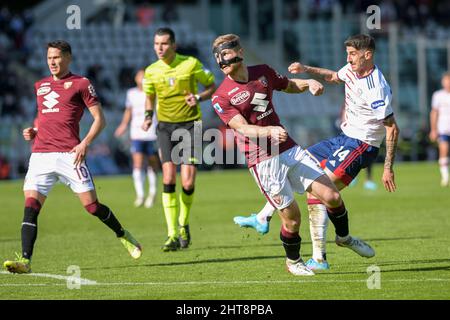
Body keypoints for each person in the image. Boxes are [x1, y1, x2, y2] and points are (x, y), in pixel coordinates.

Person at [211, 33, 375, 276]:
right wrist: (267, 131)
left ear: (240, 53)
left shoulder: (263, 72)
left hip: (288, 147)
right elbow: (241, 128)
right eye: (219, 59)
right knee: (293, 219)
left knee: (331, 195)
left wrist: (308, 83)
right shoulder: (221, 96)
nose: (223, 63)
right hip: (262, 159)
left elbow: (288, 85)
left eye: (226, 56)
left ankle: (344, 237)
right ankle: (294, 262)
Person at [3, 40, 142, 274]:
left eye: (57, 57)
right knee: (30, 207)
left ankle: (122, 234)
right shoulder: (41, 86)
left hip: (70, 155)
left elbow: (100, 119)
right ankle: (25, 260)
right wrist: (35, 131)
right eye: (49, 58)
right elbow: (45, 118)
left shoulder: (81, 84)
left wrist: (84, 143)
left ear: (68, 57)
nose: (52, 62)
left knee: (92, 207)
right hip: (41, 155)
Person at [141, 28, 216, 251]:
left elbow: (211, 86)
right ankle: (172, 233)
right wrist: (147, 117)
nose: (160, 48)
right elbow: (149, 97)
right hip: (164, 127)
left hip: (190, 125)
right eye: (156, 44)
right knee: (168, 176)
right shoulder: (151, 71)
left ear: (174, 44)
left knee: (188, 182)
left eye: (164, 44)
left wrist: (199, 97)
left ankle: (184, 222)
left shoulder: (191, 64)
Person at [115, 69, 159, 208]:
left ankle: (153, 192)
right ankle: (140, 195)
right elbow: (129, 111)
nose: (142, 78)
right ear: (136, 78)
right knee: (138, 163)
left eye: (145, 76)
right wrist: (123, 125)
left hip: (152, 132)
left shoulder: (153, 92)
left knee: (152, 163)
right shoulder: (131, 93)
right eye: (140, 76)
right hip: (137, 132)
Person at [429, 72, 450, 187]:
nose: (447, 83)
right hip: (443, 129)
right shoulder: (438, 95)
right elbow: (434, 113)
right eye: (445, 81)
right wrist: (433, 129)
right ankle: (445, 177)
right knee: (444, 150)